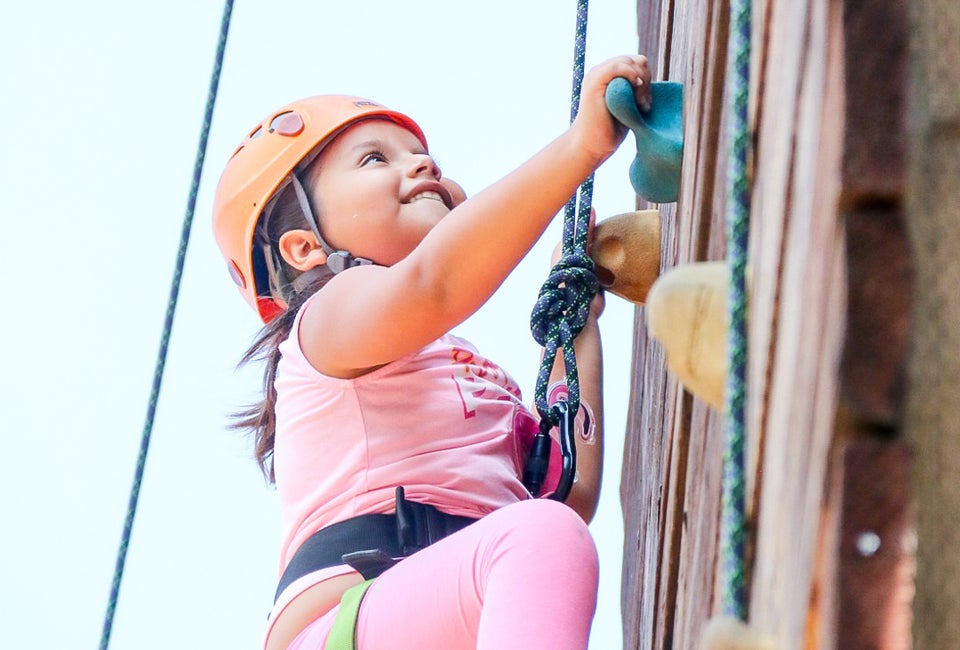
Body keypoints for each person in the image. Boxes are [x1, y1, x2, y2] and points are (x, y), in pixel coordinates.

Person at [212, 54, 651, 650]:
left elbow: (566, 495)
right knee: (537, 537)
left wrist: (577, 325)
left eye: (424, 157)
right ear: (304, 249)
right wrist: (580, 148)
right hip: (346, 618)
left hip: (435, 604)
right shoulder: (324, 325)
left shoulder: (462, 373)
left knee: (543, 534)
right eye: (374, 158)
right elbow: (435, 285)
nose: (422, 162)